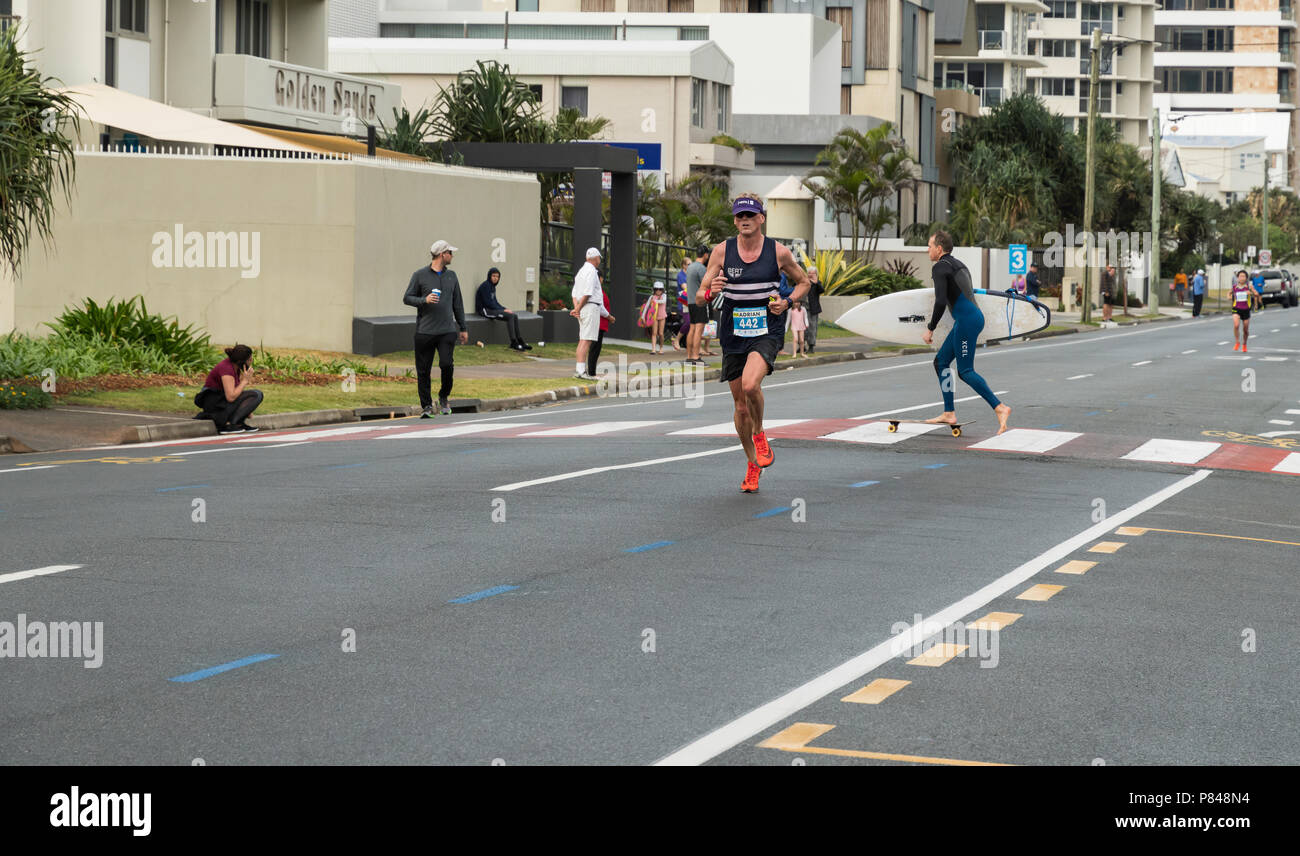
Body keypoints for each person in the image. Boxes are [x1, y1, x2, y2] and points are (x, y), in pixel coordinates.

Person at [698, 193, 809, 493]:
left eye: (750, 215)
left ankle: (760, 434)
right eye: (739, 216)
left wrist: (786, 302)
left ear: (761, 218)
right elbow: (699, 295)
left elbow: (804, 282)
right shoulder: (722, 252)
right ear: (735, 221)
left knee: (750, 386)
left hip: (766, 328)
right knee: (739, 406)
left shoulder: (779, 252)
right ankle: (752, 463)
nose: (745, 220)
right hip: (733, 331)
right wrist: (711, 290)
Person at [922, 230, 1012, 435]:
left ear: (939, 248)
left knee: (965, 371)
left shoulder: (939, 268)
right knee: (941, 361)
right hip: (969, 319)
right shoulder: (959, 265)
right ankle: (949, 413)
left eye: (929, 246)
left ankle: (1000, 407)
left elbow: (941, 301)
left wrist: (930, 329)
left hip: (966, 322)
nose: (927, 250)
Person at [403, 240, 468, 417]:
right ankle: (426, 406)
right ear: (442, 255)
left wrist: (463, 327)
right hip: (425, 331)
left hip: (447, 330)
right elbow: (407, 298)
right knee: (423, 370)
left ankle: (443, 396)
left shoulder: (452, 276)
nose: (452, 256)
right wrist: (424, 300)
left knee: (447, 364)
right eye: (450, 253)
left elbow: (458, 304)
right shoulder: (419, 275)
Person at [195, 344, 263, 433]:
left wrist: (247, 409)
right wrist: (244, 381)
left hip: (221, 400)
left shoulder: (235, 367)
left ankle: (238, 423)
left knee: (256, 394)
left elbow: (236, 391)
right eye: (249, 359)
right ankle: (230, 424)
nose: (251, 361)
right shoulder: (226, 369)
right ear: (241, 361)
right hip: (214, 403)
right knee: (256, 394)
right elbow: (230, 397)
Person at [571, 247, 613, 379]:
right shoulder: (592, 272)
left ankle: (579, 370)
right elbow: (588, 293)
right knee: (586, 340)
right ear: (595, 258)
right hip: (589, 308)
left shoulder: (580, 271)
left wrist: (577, 307)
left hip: (583, 307)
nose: (599, 260)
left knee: (582, 340)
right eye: (599, 258)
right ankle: (581, 372)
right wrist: (578, 309)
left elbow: (574, 293)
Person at [476, 267, 530, 351]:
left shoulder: (492, 287)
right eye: (493, 276)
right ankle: (513, 342)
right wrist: (502, 310)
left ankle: (520, 341)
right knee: (510, 317)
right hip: (485, 311)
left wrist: (504, 309)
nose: (495, 278)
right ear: (489, 276)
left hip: (492, 309)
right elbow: (488, 303)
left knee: (514, 315)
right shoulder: (486, 286)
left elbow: (495, 302)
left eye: (497, 276)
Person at [684, 246, 710, 364]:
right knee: (699, 330)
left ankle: (689, 356)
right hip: (699, 302)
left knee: (692, 328)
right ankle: (695, 357)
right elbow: (707, 284)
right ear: (705, 255)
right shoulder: (701, 268)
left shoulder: (690, 267)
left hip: (690, 301)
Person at [1230, 268, 1263, 352]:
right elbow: (1228, 293)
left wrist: (1251, 293)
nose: (1242, 278)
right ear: (1237, 278)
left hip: (1246, 310)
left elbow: (1256, 294)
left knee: (1245, 329)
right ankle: (1237, 342)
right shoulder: (1234, 287)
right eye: (1240, 276)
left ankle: (1244, 343)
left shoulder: (1249, 286)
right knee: (1236, 325)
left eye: (1243, 276)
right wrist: (1229, 297)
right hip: (1236, 309)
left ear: (1246, 278)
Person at [587, 276, 612, 378]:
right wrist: (609, 317)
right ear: (601, 278)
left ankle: (592, 371)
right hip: (598, 322)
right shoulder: (597, 291)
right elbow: (600, 306)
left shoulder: (598, 290)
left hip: (601, 324)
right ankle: (591, 372)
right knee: (594, 348)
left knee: (595, 348)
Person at [804, 266, 823, 353]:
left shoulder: (818, 283)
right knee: (803, 328)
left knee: (812, 327)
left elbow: (822, 290)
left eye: (813, 273)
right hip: (803, 308)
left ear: (816, 274)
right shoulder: (803, 282)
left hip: (813, 308)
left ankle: (811, 346)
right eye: (809, 273)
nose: (811, 275)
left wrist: (816, 283)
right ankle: (802, 345)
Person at [650, 281, 668, 354]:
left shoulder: (664, 296)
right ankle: (653, 349)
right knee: (654, 333)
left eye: (660, 289)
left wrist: (654, 301)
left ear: (662, 290)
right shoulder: (652, 296)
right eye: (656, 289)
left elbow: (663, 301)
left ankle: (661, 348)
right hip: (654, 316)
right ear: (654, 290)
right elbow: (646, 306)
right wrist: (643, 317)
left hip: (662, 316)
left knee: (660, 333)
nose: (658, 291)